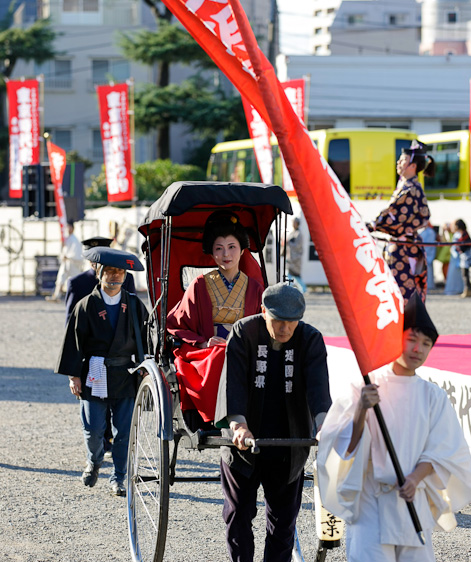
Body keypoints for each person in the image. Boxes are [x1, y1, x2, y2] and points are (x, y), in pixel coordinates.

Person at [317, 293, 471, 562]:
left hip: (412, 502)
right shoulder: (367, 385)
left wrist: (418, 476)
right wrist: (361, 407)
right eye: (411, 339)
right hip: (373, 503)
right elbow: (342, 444)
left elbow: (445, 450)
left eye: (425, 343)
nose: (418, 348)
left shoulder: (433, 396)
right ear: (396, 339)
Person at [215, 282, 332, 562]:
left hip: (289, 444)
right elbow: (233, 384)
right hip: (244, 442)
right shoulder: (244, 332)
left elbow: (320, 390)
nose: (284, 328)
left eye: (291, 322)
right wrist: (238, 424)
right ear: (264, 311)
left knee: (283, 521)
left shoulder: (310, 339)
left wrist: (323, 425)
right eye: (278, 320)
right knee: (239, 514)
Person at [55, 247, 148, 497]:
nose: (115, 276)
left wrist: (145, 369)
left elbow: (146, 342)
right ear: (99, 272)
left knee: (124, 431)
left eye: (120, 271)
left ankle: (118, 477)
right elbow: (73, 341)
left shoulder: (135, 305)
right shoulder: (86, 306)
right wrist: (73, 376)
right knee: (93, 428)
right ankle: (94, 460)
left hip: (125, 374)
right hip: (94, 371)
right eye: (109, 271)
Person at [167, 211, 264, 425]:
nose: (226, 254)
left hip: (244, 347)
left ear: (242, 250)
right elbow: (177, 323)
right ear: (211, 253)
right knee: (221, 355)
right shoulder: (200, 284)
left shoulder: (255, 288)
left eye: (231, 247)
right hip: (207, 349)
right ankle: (222, 416)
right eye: (219, 248)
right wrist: (203, 341)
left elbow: (262, 326)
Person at [367, 141, 435, 303]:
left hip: (403, 250)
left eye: (402, 160)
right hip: (402, 247)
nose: (398, 163)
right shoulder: (408, 187)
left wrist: (371, 226)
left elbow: (394, 215)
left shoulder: (411, 189)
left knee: (402, 296)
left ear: (412, 165)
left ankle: (406, 327)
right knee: (398, 295)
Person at [65, 236, 136, 324]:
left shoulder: (125, 278)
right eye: (92, 256)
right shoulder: (76, 283)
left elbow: (134, 311)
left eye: (100, 257)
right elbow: (71, 319)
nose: (95, 261)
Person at [47, 220, 84, 301]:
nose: (68, 229)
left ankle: (80, 297)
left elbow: (77, 254)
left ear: (73, 228)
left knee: (76, 281)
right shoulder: (67, 239)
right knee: (60, 279)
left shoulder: (75, 240)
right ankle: (56, 296)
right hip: (66, 263)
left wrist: (68, 257)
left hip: (73, 263)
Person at [452, 219, 471, 298]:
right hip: (464, 257)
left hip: (466, 257)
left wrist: (458, 247)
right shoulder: (462, 234)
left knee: (465, 275)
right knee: (465, 275)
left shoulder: (464, 234)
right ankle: (467, 290)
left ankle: (468, 290)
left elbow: (463, 246)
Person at [286, 217, 307, 293]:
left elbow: (298, 246)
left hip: (296, 258)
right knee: (289, 274)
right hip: (290, 257)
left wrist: (289, 243)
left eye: (294, 222)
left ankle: (303, 289)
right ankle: (289, 288)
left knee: (296, 275)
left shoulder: (299, 234)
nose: (293, 224)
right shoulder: (292, 233)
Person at [418, 222, 437, 291]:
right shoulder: (423, 231)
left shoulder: (430, 232)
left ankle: (429, 285)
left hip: (427, 253)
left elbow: (429, 244)